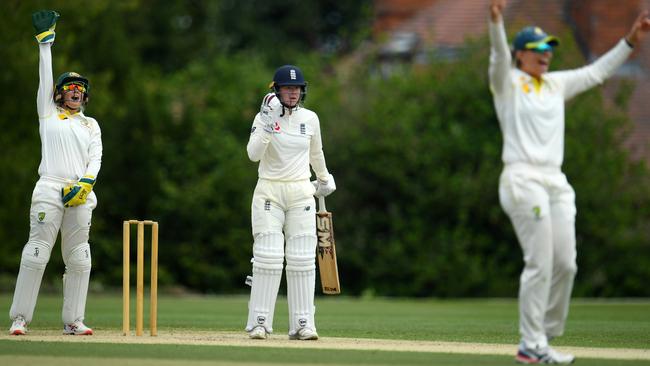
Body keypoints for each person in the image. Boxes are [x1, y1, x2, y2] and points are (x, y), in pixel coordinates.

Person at [489, 0, 650, 363]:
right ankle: (530, 345)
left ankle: (542, 335)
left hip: (555, 181)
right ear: (520, 55)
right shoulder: (508, 83)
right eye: (537, 50)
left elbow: (596, 73)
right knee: (540, 261)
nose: (545, 55)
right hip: (521, 176)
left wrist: (630, 40)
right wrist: (495, 23)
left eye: (548, 49)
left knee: (566, 263)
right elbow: (498, 58)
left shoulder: (555, 85)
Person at [8, 10, 102, 336]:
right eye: (69, 86)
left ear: (84, 96)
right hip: (49, 188)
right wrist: (45, 45)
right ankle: (20, 319)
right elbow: (44, 79)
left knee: (80, 259)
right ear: (60, 94)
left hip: (81, 193)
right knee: (37, 253)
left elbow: (96, 158)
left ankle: (73, 320)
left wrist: (86, 185)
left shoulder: (91, 124)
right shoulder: (48, 113)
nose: (75, 90)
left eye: (80, 87)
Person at [245, 65, 336, 340]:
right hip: (269, 192)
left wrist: (323, 178)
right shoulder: (263, 119)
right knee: (269, 257)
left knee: (302, 260)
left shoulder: (310, 119)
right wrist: (268, 127)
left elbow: (316, 152)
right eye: (287, 88)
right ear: (277, 90)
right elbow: (252, 155)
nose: (293, 93)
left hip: (301, 193)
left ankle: (303, 324)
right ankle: (259, 323)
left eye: (296, 88)